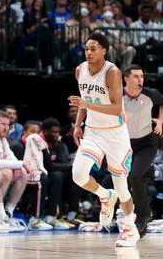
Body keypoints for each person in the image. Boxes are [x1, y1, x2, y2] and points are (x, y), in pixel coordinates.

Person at [68, 32, 139, 247]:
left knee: (122, 187)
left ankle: (130, 227)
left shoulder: (112, 72)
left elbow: (117, 108)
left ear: (104, 51)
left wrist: (86, 106)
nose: (88, 52)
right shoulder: (80, 70)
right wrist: (78, 124)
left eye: (93, 49)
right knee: (78, 175)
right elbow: (83, 99)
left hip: (115, 133)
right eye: (87, 49)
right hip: (93, 131)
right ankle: (105, 196)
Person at [122, 64, 163, 237]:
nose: (140, 80)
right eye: (136, 76)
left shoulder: (150, 93)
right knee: (121, 179)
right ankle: (140, 218)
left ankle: (143, 215)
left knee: (136, 175)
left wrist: (161, 121)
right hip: (125, 144)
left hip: (147, 143)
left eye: (142, 76)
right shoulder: (117, 95)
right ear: (126, 79)